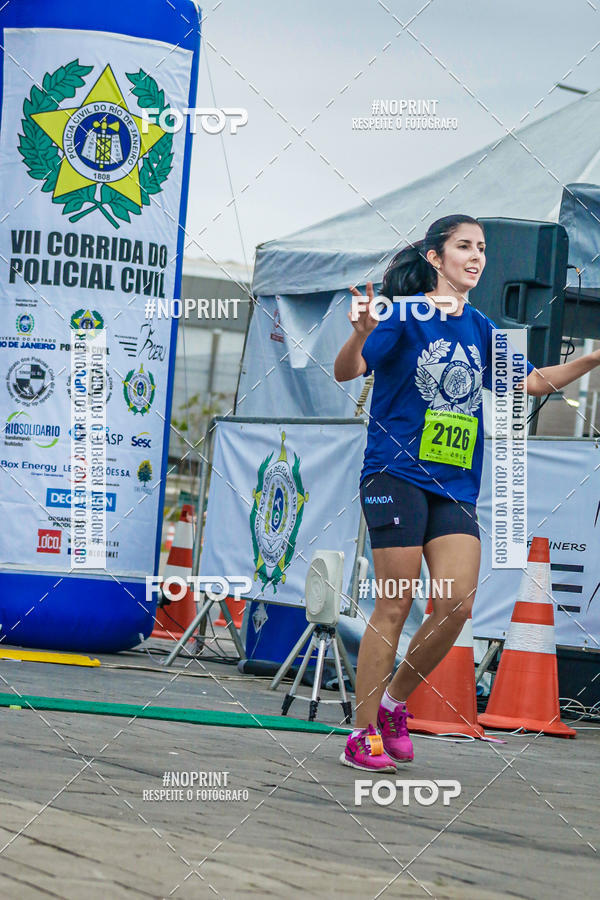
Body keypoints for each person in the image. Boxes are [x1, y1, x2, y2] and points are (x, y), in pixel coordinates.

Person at [334, 214, 600, 772]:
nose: (475, 256)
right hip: (395, 476)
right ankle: (361, 735)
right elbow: (348, 370)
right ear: (435, 257)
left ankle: (392, 703)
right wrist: (358, 332)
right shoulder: (404, 314)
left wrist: (593, 358)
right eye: (463, 247)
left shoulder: (480, 327)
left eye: (481, 248)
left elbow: (529, 382)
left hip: (455, 485)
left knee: (456, 605)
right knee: (395, 603)